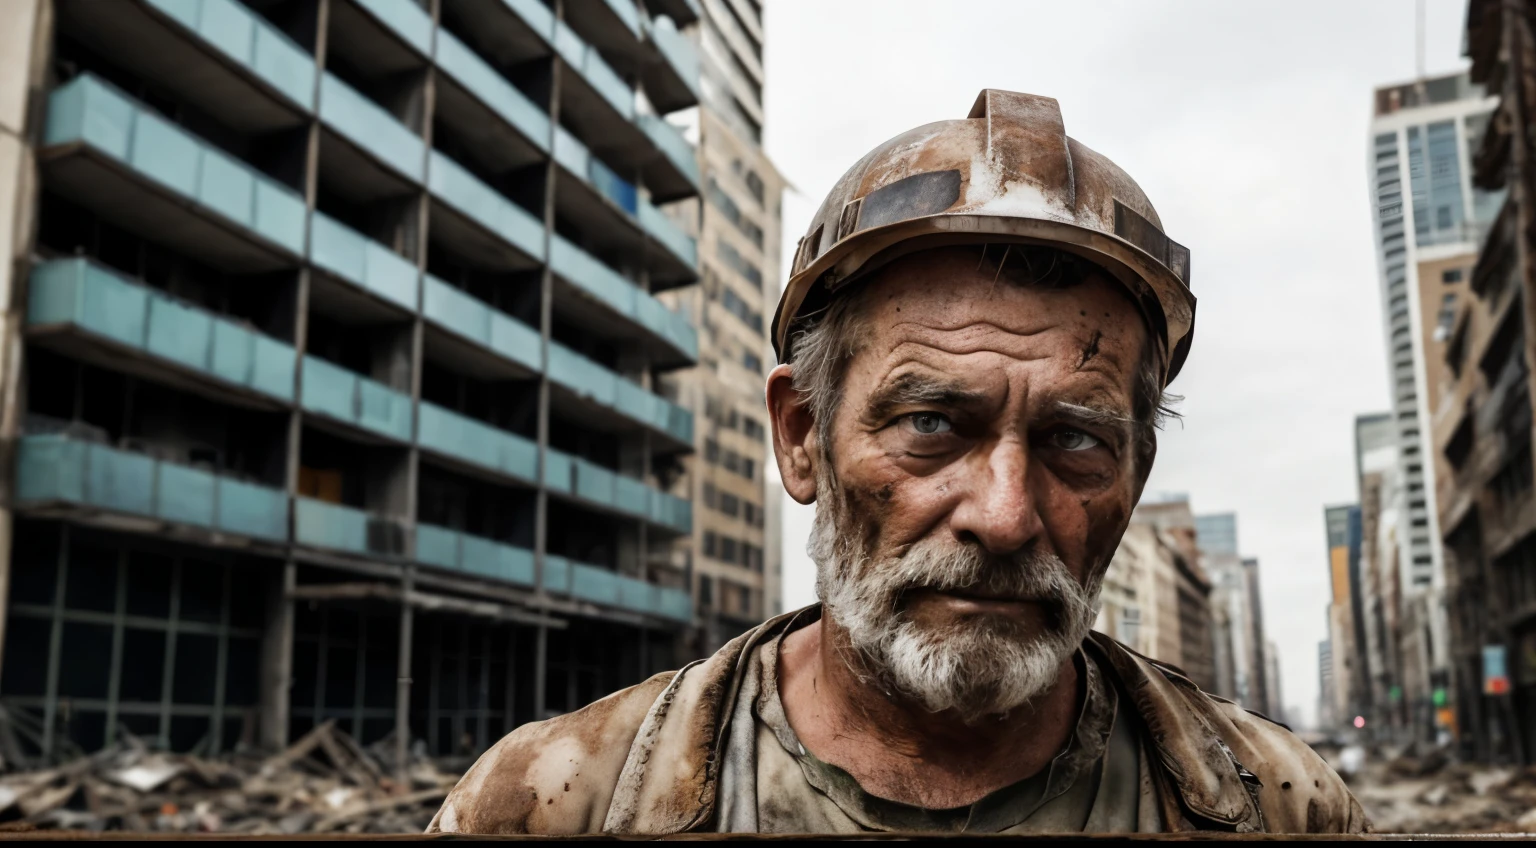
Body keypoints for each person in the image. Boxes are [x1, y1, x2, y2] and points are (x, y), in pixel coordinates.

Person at [427, 89, 1368, 835]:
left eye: (1076, 440)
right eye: (930, 424)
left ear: (1138, 474)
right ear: (801, 436)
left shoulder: (1284, 811)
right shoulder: (552, 803)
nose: (1005, 516)